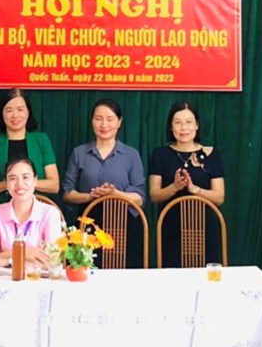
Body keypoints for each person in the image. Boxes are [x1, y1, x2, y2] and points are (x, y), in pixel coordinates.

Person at [63, 98, 146, 268]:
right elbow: (67, 193)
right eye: (98, 118)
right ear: (92, 121)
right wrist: (90, 196)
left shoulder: (131, 155)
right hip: (88, 224)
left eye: (110, 119)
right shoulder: (79, 153)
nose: (104, 125)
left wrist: (115, 194)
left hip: (124, 226)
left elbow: (140, 198)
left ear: (119, 122)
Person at [148, 101, 225, 268]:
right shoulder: (160, 154)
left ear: (197, 125)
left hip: (205, 228)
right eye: (178, 122)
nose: (183, 128)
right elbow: (154, 195)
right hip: (171, 228)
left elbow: (219, 197)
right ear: (171, 126)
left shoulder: (211, 154)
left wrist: (195, 189)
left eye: (189, 122)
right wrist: (174, 187)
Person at [0, 88, 60, 206]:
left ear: (28, 112)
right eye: (9, 110)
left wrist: (23, 183)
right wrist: (8, 183)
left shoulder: (41, 140)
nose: (15, 115)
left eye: (20, 109)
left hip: (37, 208)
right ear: (1, 113)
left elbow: (54, 185)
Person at [0, 157, 62, 268]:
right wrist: (24, 253)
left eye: (25, 177)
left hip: (39, 277)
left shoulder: (50, 213)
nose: (20, 184)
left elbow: (52, 261)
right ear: (6, 183)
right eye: (13, 178)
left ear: (35, 180)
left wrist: (8, 259)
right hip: (4, 276)